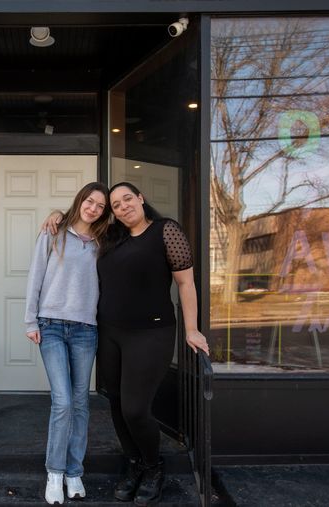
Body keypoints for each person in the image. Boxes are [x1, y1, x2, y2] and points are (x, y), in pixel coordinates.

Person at [44, 181, 209, 506]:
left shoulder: (165, 230)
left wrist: (193, 329)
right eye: (116, 205)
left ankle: (152, 467)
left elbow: (186, 283)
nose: (122, 207)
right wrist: (57, 215)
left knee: (135, 408)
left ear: (141, 199)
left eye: (127, 199)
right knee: (117, 404)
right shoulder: (111, 238)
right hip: (109, 332)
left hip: (151, 333)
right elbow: (80, 228)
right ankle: (134, 466)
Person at [24, 181, 111, 505]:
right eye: (90, 201)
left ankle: (75, 471)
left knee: (80, 402)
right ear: (81, 200)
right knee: (62, 402)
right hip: (52, 326)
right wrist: (30, 320)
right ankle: (55, 473)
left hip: (86, 329)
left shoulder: (103, 241)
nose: (93, 208)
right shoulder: (54, 231)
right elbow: (36, 275)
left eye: (100, 206)